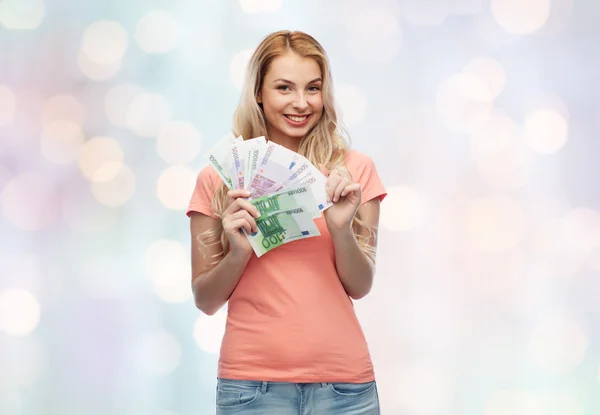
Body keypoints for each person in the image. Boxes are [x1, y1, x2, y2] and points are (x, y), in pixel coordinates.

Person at [187, 30, 386, 414]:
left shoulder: (354, 172)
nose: (301, 103)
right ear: (258, 92)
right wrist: (238, 252)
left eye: (313, 88)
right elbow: (205, 300)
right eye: (284, 88)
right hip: (251, 389)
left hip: (345, 389)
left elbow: (360, 286)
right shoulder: (219, 179)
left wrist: (341, 229)